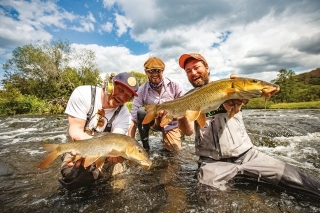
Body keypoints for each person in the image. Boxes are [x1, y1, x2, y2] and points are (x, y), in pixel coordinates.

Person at [177, 53, 320, 199]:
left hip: (248, 155)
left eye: (196, 67)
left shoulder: (232, 87)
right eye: (188, 71)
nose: (193, 73)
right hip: (212, 162)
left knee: (306, 183)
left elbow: (245, 97)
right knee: (206, 201)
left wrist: (241, 99)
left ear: (207, 68)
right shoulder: (186, 98)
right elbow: (187, 132)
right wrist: (180, 115)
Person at [59, 72, 139, 190]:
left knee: (113, 185)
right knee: (73, 176)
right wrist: (89, 153)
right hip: (78, 147)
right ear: (110, 85)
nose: (122, 98)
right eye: (120, 90)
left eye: (128, 96)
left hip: (104, 154)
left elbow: (117, 139)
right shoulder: (83, 94)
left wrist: (117, 155)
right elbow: (76, 131)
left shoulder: (124, 114)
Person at [128, 57, 184, 152]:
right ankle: (146, 147)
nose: (154, 74)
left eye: (158, 71)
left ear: (163, 70)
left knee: (174, 152)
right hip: (152, 122)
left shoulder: (175, 85)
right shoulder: (141, 90)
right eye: (151, 71)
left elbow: (184, 107)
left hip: (171, 122)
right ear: (146, 72)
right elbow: (133, 118)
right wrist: (129, 143)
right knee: (141, 112)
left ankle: (178, 137)